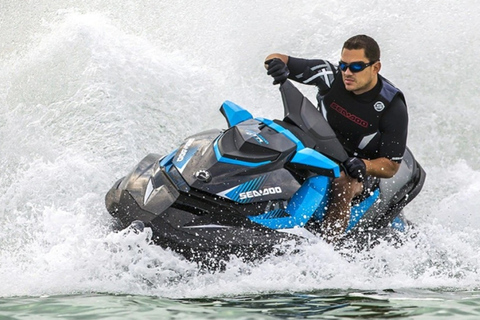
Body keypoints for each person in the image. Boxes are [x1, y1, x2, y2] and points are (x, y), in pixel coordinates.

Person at [264, 35, 408, 243]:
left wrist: (363, 165)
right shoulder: (330, 76)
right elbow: (278, 58)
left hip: (356, 168)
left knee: (343, 182)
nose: (347, 73)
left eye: (356, 67)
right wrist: (275, 64)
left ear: (375, 67)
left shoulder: (392, 106)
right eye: (344, 65)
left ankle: (329, 246)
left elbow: (391, 166)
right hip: (317, 148)